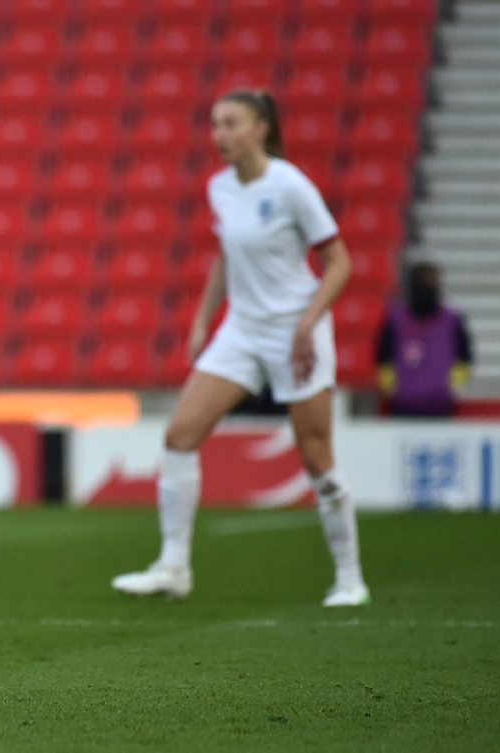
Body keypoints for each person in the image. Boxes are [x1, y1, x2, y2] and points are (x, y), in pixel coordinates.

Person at [111, 89, 370, 607]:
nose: (220, 135)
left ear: (261, 128)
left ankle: (349, 579)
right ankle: (174, 567)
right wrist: (205, 320)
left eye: (231, 123)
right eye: (215, 124)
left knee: (317, 456)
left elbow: (339, 262)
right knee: (180, 433)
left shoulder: (292, 185)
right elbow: (227, 257)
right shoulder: (221, 188)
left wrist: (309, 321)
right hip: (244, 330)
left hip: (297, 328)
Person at [377, 261, 472, 416]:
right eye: (425, 281)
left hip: (441, 406)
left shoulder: (452, 319)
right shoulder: (395, 319)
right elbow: (382, 358)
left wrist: (450, 385)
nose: (429, 287)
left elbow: (465, 357)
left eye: (433, 282)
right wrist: (393, 387)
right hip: (403, 406)